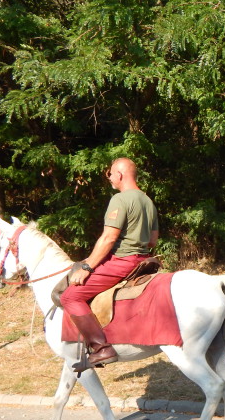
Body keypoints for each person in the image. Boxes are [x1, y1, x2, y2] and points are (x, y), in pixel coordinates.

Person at [60, 157, 159, 370]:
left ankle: (101, 348)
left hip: (123, 261)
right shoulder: (148, 201)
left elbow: (108, 238)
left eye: (111, 174)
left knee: (70, 296)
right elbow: (152, 241)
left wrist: (87, 267)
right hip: (144, 259)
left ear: (120, 175)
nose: (110, 178)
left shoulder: (120, 200)